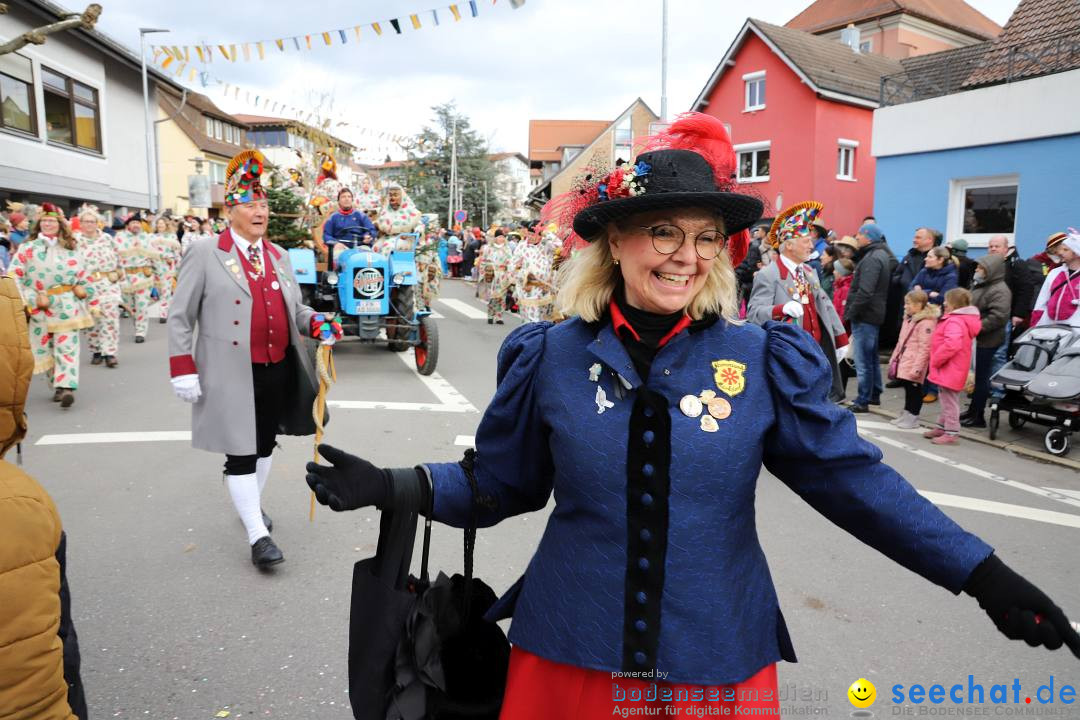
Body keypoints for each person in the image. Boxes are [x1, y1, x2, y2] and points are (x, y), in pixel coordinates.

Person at [304, 113, 1080, 719]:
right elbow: (502, 484)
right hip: (569, 655)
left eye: (708, 237)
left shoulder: (768, 359)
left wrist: (985, 576)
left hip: (718, 657)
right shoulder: (549, 357)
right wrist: (398, 485)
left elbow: (855, 484)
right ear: (614, 240)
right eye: (664, 231)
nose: (688, 255)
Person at [167, 149, 340, 568]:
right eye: (251, 204)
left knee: (263, 445)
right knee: (241, 453)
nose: (260, 211)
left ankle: (251, 507)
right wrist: (182, 368)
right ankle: (257, 534)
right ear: (231, 210)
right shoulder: (206, 252)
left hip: (277, 368)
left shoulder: (279, 256)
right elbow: (180, 314)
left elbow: (293, 310)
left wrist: (317, 321)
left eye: (263, 204)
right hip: (231, 373)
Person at [0, 273, 88, 719]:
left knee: (67, 353)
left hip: (67, 309)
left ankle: (66, 383)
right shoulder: (18, 507)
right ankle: (61, 378)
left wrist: (82, 291)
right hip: (45, 311)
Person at [748, 201, 849, 402]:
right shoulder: (768, 275)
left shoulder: (809, 272)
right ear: (790, 244)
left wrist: (840, 338)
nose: (811, 246)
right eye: (806, 241)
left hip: (816, 353)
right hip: (789, 356)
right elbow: (754, 313)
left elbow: (825, 305)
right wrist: (780, 308)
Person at [7, 203, 95, 408]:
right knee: (45, 348)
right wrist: (23, 300)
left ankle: (66, 387)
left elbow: (85, 273)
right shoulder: (28, 248)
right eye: (44, 221)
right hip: (39, 305)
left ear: (59, 224)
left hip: (67, 304)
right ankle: (56, 383)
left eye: (52, 221)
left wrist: (86, 291)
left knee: (67, 346)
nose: (48, 224)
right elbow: (14, 274)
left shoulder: (72, 246)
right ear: (39, 224)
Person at [844, 223, 896, 413]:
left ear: (869, 237)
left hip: (866, 315)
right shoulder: (878, 255)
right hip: (872, 314)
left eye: (859, 234)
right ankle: (874, 394)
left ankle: (863, 399)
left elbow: (865, 291)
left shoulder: (872, 258)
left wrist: (851, 312)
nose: (856, 237)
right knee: (871, 357)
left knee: (863, 360)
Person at [961, 254, 1011, 429]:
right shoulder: (981, 285)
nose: (977, 270)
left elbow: (998, 317)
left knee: (982, 378)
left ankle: (978, 416)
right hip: (976, 338)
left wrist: (975, 327)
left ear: (991, 271)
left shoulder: (1000, 290)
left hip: (986, 340)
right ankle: (972, 410)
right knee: (976, 377)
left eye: (981, 268)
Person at [926, 288, 981, 445]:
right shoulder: (959, 319)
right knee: (946, 398)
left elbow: (952, 344)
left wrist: (936, 359)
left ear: (954, 304)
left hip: (949, 366)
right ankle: (942, 427)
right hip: (953, 366)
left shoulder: (955, 321)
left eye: (947, 301)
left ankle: (951, 431)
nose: (944, 303)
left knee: (949, 401)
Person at [76, 206, 123, 369]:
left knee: (110, 319)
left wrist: (118, 273)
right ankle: (96, 350)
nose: (89, 224)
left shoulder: (107, 239)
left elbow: (118, 258)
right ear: (80, 223)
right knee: (92, 321)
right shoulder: (75, 241)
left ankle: (110, 353)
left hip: (108, 284)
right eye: (86, 221)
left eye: (92, 221)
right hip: (87, 286)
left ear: (98, 223)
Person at [888, 290, 939, 429]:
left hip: (915, 362)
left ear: (918, 304)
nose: (905, 306)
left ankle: (913, 417)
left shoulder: (926, 323)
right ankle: (906, 414)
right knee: (907, 388)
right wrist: (894, 358)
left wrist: (918, 368)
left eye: (908, 303)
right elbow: (901, 341)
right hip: (905, 360)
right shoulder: (910, 319)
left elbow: (925, 348)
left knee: (914, 391)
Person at [114, 213, 157, 343]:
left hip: (143, 275)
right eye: (133, 223)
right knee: (130, 306)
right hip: (126, 276)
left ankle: (140, 331)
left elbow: (155, 255)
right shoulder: (119, 238)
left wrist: (156, 271)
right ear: (128, 225)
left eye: (138, 223)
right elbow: (114, 256)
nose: (136, 225)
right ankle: (137, 324)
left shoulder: (147, 238)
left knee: (142, 305)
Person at [1030, 230, 1080, 327]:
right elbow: (1041, 302)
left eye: (1066, 250)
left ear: (1076, 253)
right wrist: (1035, 325)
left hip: (1075, 332)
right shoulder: (1054, 273)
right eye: (1061, 249)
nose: (1060, 252)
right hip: (1050, 330)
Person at [512, 226, 557, 323]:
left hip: (544, 285)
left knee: (542, 313)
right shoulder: (522, 245)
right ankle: (531, 333)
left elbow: (558, 244)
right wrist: (517, 266)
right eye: (530, 234)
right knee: (530, 312)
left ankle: (534, 333)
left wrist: (546, 233)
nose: (531, 236)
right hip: (527, 284)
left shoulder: (546, 245)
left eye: (534, 234)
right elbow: (513, 262)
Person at [322, 188, 377, 262]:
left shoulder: (361, 215)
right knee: (340, 258)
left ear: (352, 200)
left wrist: (368, 236)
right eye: (343, 197)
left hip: (361, 246)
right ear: (339, 201)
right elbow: (326, 235)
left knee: (369, 260)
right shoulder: (333, 218)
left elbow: (371, 230)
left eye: (349, 197)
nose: (346, 199)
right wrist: (335, 243)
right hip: (341, 247)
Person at [150, 216, 182, 324]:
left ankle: (163, 313)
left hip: (167, 264)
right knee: (157, 290)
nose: (160, 225)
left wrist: (178, 264)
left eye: (162, 223)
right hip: (154, 265)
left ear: (166, 225)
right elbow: (148, 250)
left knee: (166, 290)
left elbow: (176, 251)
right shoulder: (151, 236)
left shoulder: (171, 236)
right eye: (158, 223)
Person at [479, 229, 512, 324]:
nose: (501, 239)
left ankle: (499, 316)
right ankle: (490, 314)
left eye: (502, 237)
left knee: (502, 296)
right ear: (495, 238)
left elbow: (511, 262)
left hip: (502, 275)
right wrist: (485, 272)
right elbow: (483, 261)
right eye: (499, 237)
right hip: (491, 275)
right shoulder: (489, 248)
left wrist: (509, 272)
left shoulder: (507, 249)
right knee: (492, 296)